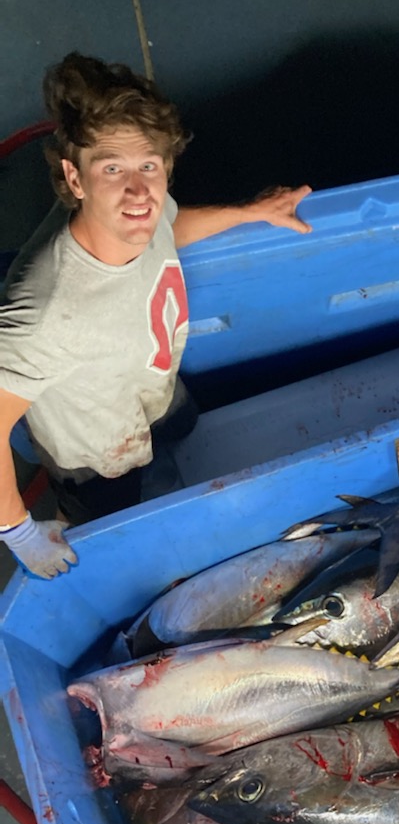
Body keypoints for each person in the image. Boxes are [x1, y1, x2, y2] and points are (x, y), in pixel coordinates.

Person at [0, 52, 312, 579]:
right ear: (75, 178)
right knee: (106, 520)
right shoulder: (45, 313)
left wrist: (250, 212)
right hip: (94, 454)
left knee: (181, 430)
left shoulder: (139, 211)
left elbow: (169, 225)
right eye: (112, 168)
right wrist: (19, 531)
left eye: (149, 165)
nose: (138, 191)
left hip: (154, 388)